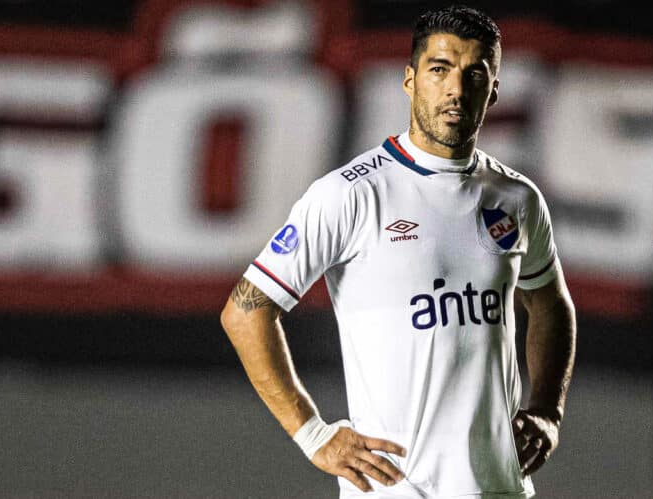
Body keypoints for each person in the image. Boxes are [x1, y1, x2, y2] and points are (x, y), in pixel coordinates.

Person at [220, 5, 576, 498]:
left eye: (474, 74)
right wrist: (313, 434)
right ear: (409, 80)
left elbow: (551, 303)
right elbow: (245, 312)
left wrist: (547, 411)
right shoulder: (351, 194)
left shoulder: (516, 197)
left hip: (501, 487)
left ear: (493, 90)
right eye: (439, 69)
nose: (456, 89)